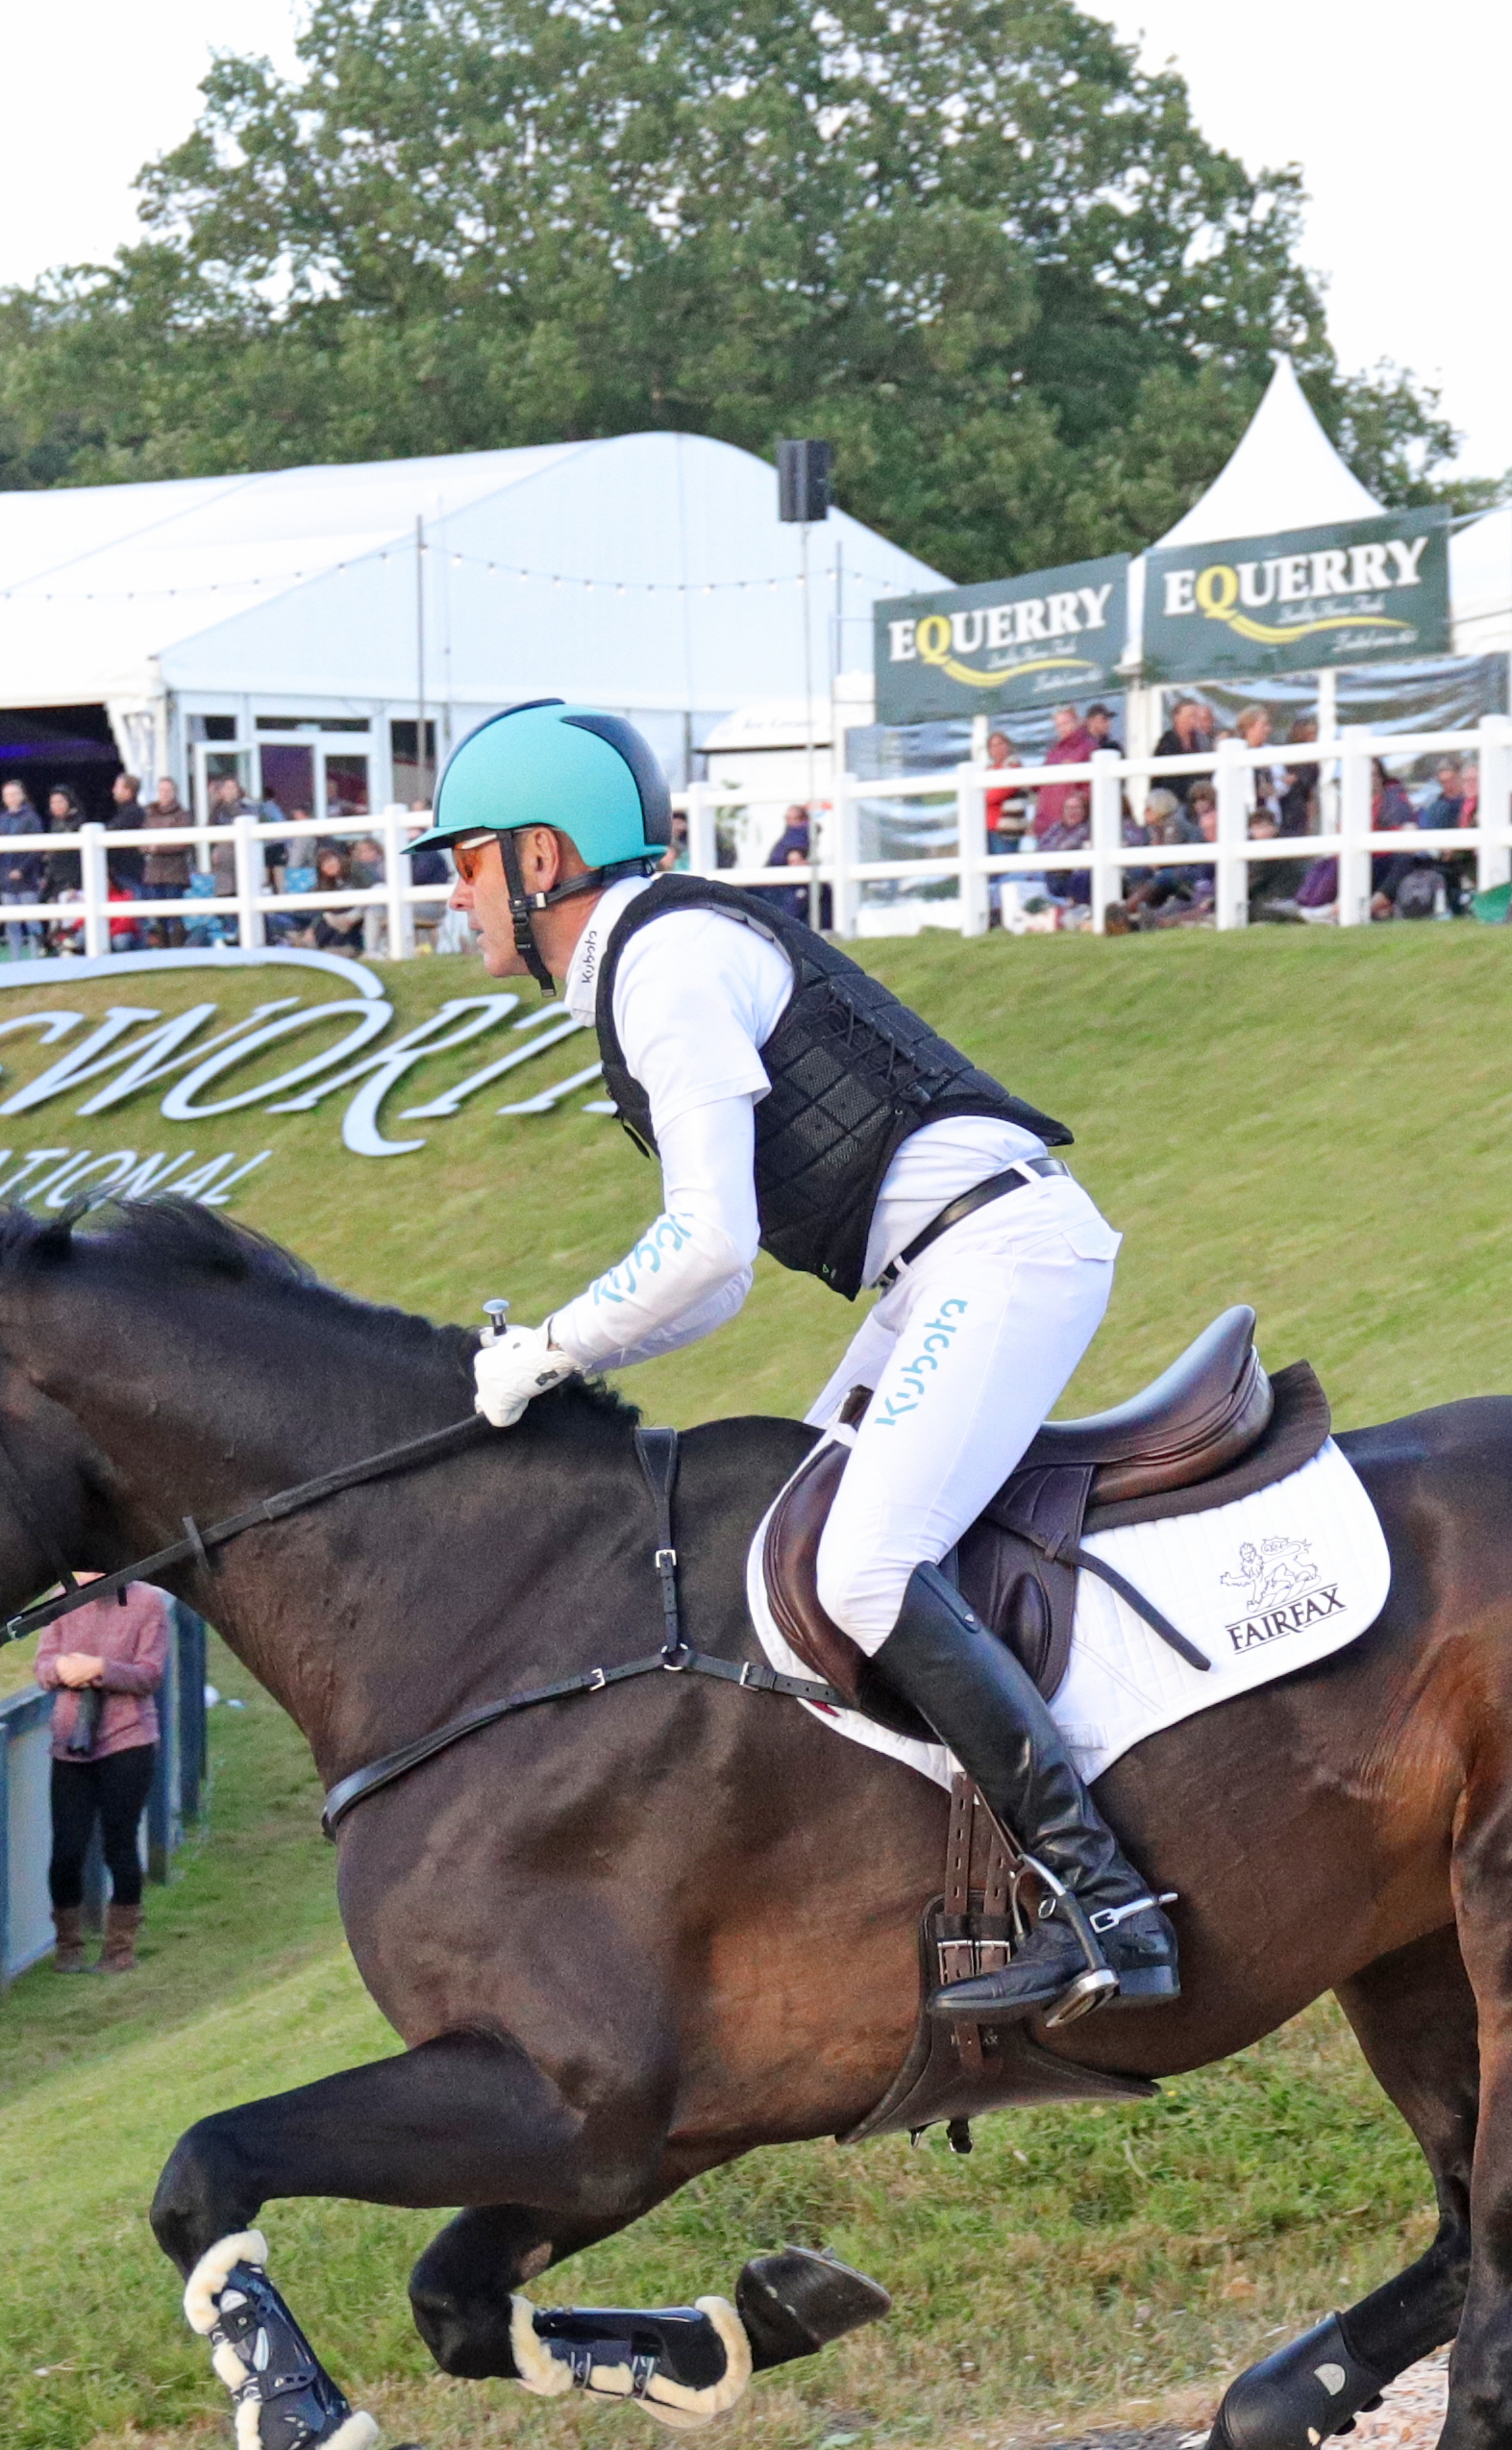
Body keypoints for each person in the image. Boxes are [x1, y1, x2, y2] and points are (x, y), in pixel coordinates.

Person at [420, 697, 1169, 2026]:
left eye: (464, 862)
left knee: (859, 1566)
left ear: (540, 859)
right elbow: (711, 1284)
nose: (456, 896)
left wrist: (546, 1349)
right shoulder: (655, 960)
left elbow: (707, 1246)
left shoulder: (665, 965)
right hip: (944, 1262)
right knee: (782, 1555)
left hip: (993, 1255)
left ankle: (1106, 1906)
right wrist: (564, 1360)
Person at [38, 1568, 175, 1973]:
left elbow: (150, 1674)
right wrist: (65, 1669)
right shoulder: (60, 1600)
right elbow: (43, 1666)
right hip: (70, 1744)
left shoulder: (147, 1602)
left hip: (127, 1740)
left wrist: (99, 1669)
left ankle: (120, 1950)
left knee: (120, 1844)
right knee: (66, 1850)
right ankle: (68, 1947)